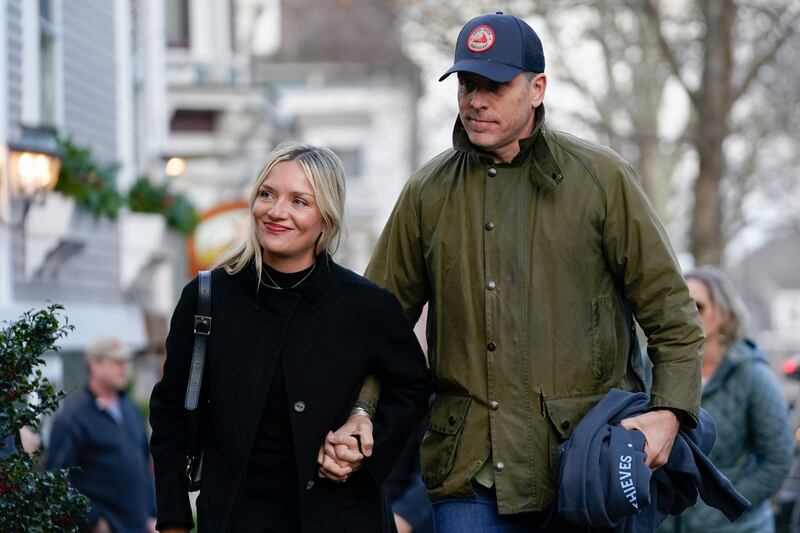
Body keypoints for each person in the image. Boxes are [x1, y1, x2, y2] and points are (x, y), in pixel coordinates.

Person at [320, 11, 705, 532]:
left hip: (584, 463)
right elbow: (375, 325)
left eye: (496, 85)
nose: (477, 99)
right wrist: (360, 411)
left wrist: (668, 415)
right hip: (468, 471)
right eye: (467, 84)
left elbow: (673, 317)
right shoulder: (427, 193)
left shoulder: (602, 181)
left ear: (537, 88)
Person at [149, 142, 431, 533]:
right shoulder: (206, 299)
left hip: (343, 519)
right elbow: (170, 417)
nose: (276, 211)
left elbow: (414, 387)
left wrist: (365, 446)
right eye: (267, 194)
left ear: (326, 219)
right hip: (234, 519)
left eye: (299, 201)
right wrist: (174, 519)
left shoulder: (367, 306)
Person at [658, 266, 793, 532]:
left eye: (696, 305)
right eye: (679, 304)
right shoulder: (651, 367)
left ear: (724, 315)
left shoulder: (753, 376)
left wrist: (722, 505)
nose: (685, 313)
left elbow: (776, 461)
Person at [46, 338, 157, 533]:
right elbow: (56, 480)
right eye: (115, 362)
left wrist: (152, 515)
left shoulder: (130, 409)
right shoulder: (73, 418)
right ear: (94, 365)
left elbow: (145, 468)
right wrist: (92, 520)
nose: (123, 368)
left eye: (125, 362)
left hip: (139, 527)